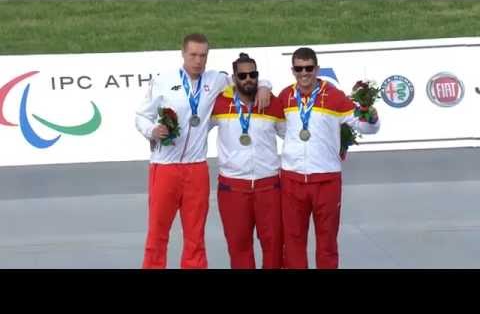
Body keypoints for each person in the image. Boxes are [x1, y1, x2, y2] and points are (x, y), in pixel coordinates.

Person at [135, 34, 272, 269]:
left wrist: (264, 85)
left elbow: (244, 80)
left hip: (196, 168)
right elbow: (141, 116)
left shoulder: (216, 80)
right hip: (164, 168)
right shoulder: (163, 81)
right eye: (193, 55)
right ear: (183, 54)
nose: (198, 60)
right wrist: (152, 130)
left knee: (195, 236)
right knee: (157, 234)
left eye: (203, 55)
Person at [278, 47, 380, 269]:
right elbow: (277, 126)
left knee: (327, 242)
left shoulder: (334, 96)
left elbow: (364, 126)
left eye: (308, 68)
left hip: (326, 180)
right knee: (293, 241)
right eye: (299, 68)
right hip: (292, 179)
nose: (304, 73)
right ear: (292, 70)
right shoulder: (285, 96)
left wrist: (371, 116)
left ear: (317, 68)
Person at [210, 53, 285, 269]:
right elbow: (194, 129)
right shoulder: (220, 103)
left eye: (253, 75)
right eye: (242, 75)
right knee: (238, 247)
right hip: (233, 188)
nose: (248, 79)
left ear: (258, 76)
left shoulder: (272, 103)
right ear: (234, 79)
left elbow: (292, 135)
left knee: (274, 246)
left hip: (269, 186)